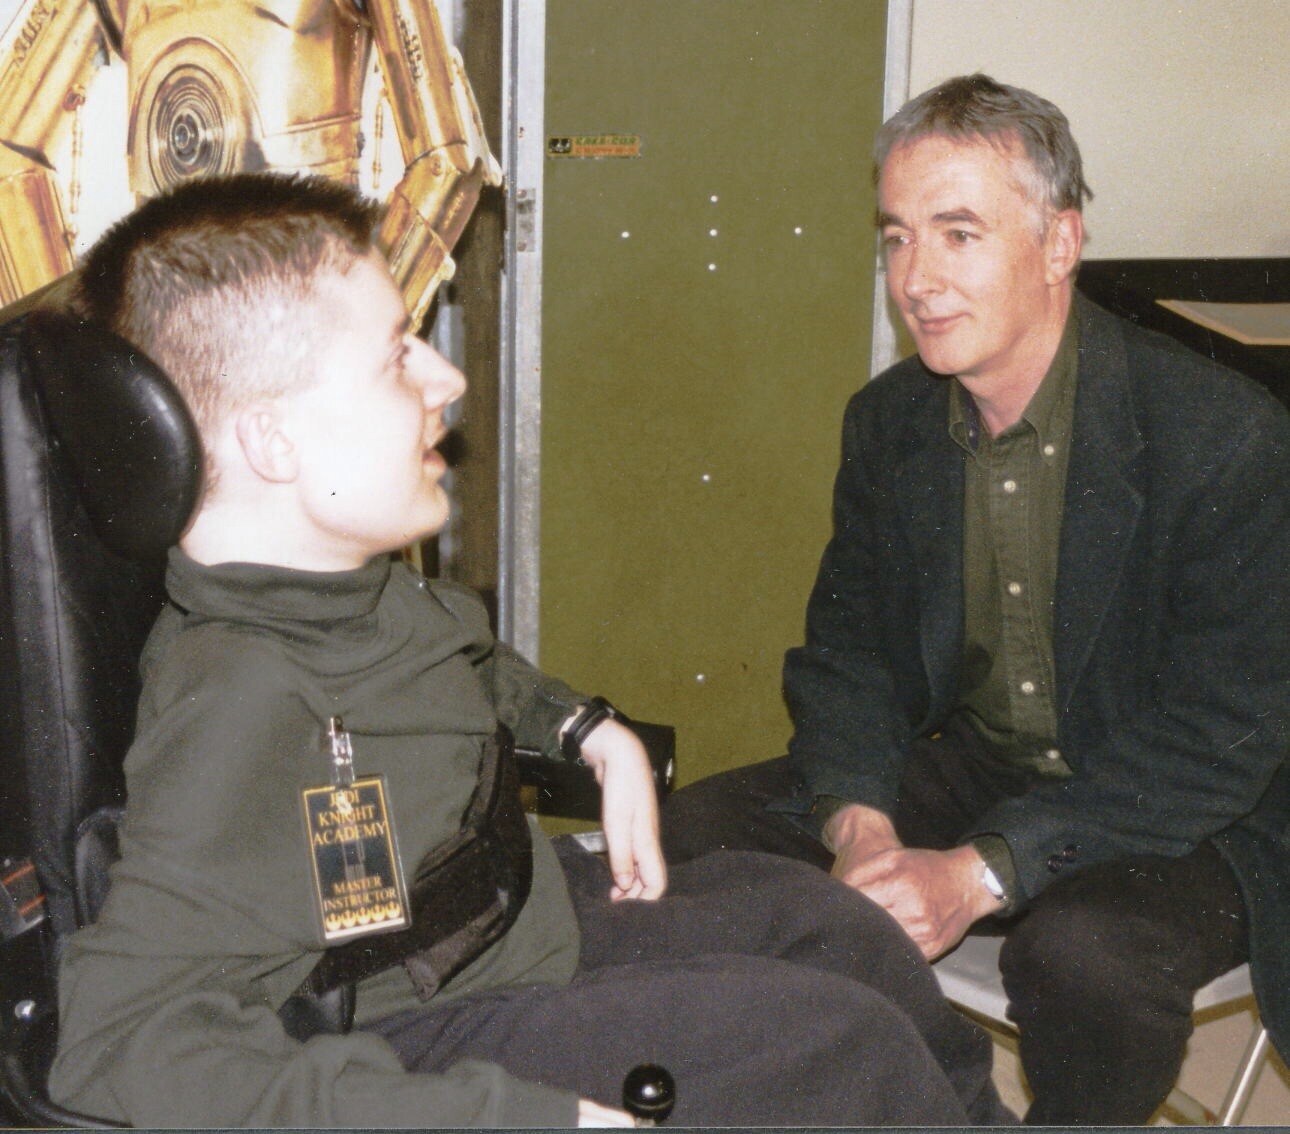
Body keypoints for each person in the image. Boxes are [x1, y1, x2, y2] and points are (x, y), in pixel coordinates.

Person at [47, 171, 1013, 1128]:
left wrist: (588, 730)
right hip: (421, 1036)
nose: (447, 378)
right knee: (842, 1045)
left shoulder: (340, 586)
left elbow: (465, 657)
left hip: (511, 918)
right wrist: (511, 1119)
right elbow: (114, 1042)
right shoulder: (239, 704)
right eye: (396, 358)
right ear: (273, 441)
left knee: (841, 929)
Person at [661, 73, 1289, 1125]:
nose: (917, 279)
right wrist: (859, 823)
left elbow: (1226, 730)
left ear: (1059, 244)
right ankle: (892, 1086)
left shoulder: (1223, 438)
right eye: (898, 238)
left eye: (959, 234)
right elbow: (850, 649)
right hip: (993, 763)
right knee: (702, 833)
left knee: (1085, 958)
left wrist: (982, 872)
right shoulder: (891, 422)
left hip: (1189, 802)